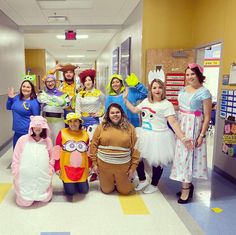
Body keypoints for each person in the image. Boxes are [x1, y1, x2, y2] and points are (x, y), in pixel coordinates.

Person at [123, 79, 193, 194]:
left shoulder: (167, 104)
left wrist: (183, 137)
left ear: (163, 89)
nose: (157, 90)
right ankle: (142, 180)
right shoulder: (146, 101)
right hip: (144, 134)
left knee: (158, 161)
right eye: (154, 87)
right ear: (150, 89)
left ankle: (154, 184)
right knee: (137, 157)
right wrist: (125, 99)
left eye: (160, 87)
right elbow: (135, 110)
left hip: (160, 136)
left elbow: (173, 122)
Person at [170, 63, 212, 204]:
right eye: (187, 74)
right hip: (181, 125)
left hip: (194, 127)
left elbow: (207, 116)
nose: (189, 77)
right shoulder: (183, 89)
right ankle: (187, 185)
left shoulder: (204, 92)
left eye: (192, 74)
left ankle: (186, 189)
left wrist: (201, 135)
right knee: (181, 156)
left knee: (188, 156)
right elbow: (181, 107)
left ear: (199, 75)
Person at [90, 103, 140, 195]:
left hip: (123, 166)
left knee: (125, 191)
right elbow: (93, 146)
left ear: (122, 113)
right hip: (104, 166)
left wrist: (133, 168)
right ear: (108, 115)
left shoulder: (130, 128)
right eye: (112, 113)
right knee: (107, 190)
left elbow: (136, 148)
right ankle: (109, 181)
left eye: (117, 112)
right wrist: (94, 164)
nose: (115, 114)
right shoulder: (101, 127)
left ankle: (124, 180)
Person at [11, 116, 54, 207]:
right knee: (25, 202)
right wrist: (16, 171)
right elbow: (16, 157)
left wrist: (50, 170)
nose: (38, 128)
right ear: (31, 127)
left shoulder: (47, 140)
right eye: (35, 126)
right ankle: (26, 196)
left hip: (43, 174)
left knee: (45, 198)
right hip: (25, 176)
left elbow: (51, 157)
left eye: (40, 126)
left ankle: (42, 193)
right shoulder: (22, 140)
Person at [75, 69, 105, 181]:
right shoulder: (80, 94)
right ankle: (84, 167)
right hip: (82, 122)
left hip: (94, 122)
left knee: (93, 147)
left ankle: (95, 170)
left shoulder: (98, 93)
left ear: (93, 81)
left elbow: (105, 104)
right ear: (83, 82)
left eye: (89, 80)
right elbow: (77, 109)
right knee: (83, 145)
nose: (88, 82)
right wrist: (78, 123)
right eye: (86, 80)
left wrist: (100, 113)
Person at [53, 112, 90, 196]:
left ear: (80, 122)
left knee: (84, 191)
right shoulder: (62, 132)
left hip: (81, 167)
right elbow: (57, 150)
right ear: (68, 123)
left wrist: (90, 166)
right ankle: (69, 184)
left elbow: (88, 152)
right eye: (70, 121)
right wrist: (57, 167)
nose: (73, 124)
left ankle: (79, 183)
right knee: (71, 192)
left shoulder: (85, 134)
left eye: (75, 121)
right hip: (66, 167)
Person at [6, 80, 40, 149]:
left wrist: (36, 134)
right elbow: (8, 107)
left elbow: (37, 119)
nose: (25, 88)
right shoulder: (16, 98)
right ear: (21, 87)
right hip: (17, 131)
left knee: (26, 154)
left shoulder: (34, 102)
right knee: (16, 152)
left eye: (28, 87)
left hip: (27, 132)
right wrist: (10, 98)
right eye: (23, 86)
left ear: (32, 89)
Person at [37, 74, 70, 144]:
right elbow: (39, 104)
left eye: (52, 81)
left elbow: (67, 104)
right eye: (48, 82)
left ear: (55, 82)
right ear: (45, 83)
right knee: (46, 140)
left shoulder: (63, 94)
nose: (50, 83)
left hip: (59, 122)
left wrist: (59, 100)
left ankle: (57, 154)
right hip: (46, 121)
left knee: (58, 139)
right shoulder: (42, 94)